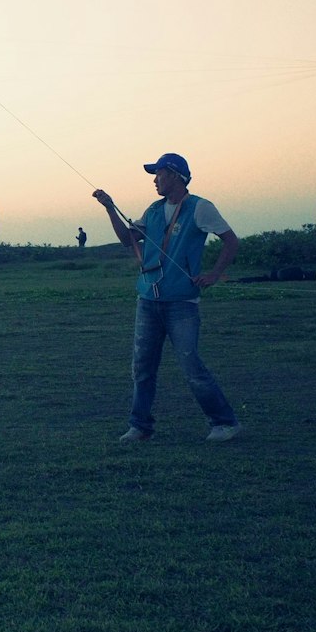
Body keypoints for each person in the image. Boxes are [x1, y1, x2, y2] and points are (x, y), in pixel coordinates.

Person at [92, 153, 242, 443]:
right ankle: (140, 426)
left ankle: (225, 423)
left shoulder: (200, 208)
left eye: (158, 174)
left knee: (191, 366)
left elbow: (230, 240)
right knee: (142, 367)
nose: (154, 180)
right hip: (148, 299)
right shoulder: (153, 210)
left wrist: (214, 274)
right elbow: (127, 240)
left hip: (181, 303)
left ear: (175, 175)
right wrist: (110, 208)